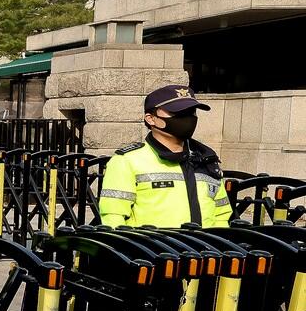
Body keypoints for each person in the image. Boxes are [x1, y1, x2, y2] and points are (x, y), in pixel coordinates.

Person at [98, 85, 230, 229]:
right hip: (152, 249)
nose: (188, 118)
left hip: (202, 249)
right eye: (178, 113)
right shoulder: (127, 161)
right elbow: (113, 217)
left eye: (191, 112)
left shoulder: (206, 158)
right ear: (151, 119)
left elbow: (221, 215)